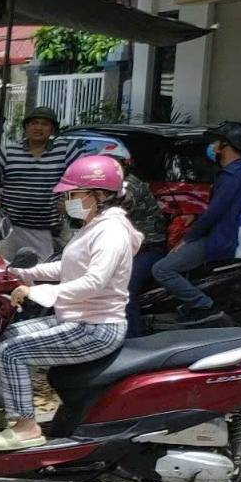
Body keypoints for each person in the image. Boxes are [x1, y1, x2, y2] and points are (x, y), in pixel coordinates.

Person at [0, 154, 140, 452]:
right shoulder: (94, 225)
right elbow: (67, 268)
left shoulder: (111, 233)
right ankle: (16, 409)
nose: (67, 199)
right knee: (10, 335)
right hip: (78, 319)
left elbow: (93, 282)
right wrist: (22, 274)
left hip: (95, 328)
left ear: (100, 195)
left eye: (74, 193)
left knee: (11, 352)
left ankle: (26, 427)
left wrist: (38, 293)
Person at [152, 122, 241, 325]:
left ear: (225, 146)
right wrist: (196, 218)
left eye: (216, 142)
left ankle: (203, 306)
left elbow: (215, 214)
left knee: (161, 269)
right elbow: (223, 210)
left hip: (219, 238)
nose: (212, 146)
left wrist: (189, 237)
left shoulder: (232, 177)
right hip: (224, 233)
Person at [79, 136, 167, 336]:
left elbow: (119, 203)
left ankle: (134, 341)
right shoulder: (107, 186)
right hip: (125, 248)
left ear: (125, 164)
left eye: (115, 163)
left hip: (148, 248)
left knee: (122, 291)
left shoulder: (128, 185)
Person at [0, 107, 79, 264]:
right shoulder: (10, 151)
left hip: (44, 229)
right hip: (10, 227)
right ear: (26, 127)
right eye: (34, 123)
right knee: (2, 271)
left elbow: (85, 174)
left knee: (40, 275)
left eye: (45, 124)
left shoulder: (65, 150)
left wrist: (70, 200)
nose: (39, 128)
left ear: (53, 129)